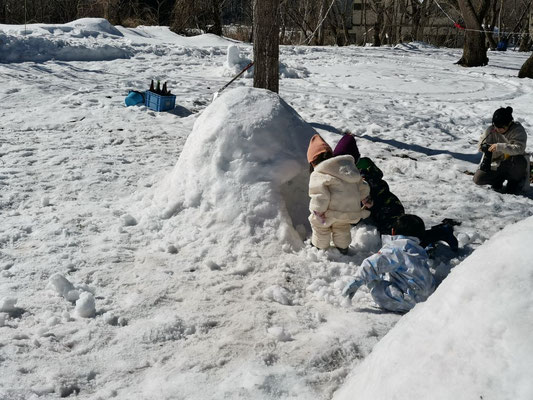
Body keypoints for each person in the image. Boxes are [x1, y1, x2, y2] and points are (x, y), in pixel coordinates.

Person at [333, 134, 459, 251]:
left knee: (400, 236)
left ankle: (438, 234)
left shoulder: (363, 178)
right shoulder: (358, 169)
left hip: (388, 210)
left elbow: (360, 203)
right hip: (381, 208)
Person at [342, 214, 435, 313]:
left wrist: (356, 282)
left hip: (409, 300)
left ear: (393, 231)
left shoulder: (396, 249)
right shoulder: (418, 250)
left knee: (376, 287)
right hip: (429, 297)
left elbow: (371, 264)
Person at [307, 134, 370, 254]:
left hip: (329, 212)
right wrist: (365, 198)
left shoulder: (318, 174)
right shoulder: (350, 170)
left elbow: (320, 195)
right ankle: (343, 248)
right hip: (349, 211)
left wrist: (318, 211)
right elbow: (362, 186)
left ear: (312, 162)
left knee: (320, 227)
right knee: (342, 228)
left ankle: (320, 247)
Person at [473, 106, 529, 194]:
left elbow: (519, 149)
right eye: (496, 127)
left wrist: (500, 147)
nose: (498, 130)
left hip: (513, 163)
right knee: (478, 179)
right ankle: (497, 180)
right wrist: (483, 147)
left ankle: (513, 182)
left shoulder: (518, 130)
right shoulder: (491, 130)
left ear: (509, 123)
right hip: (496, 163)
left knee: (519, 161)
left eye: (501, 127)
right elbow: (481, 143)